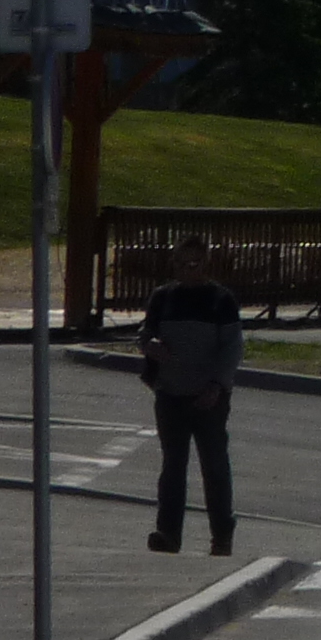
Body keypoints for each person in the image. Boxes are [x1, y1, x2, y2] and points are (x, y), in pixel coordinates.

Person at [137, 234, 243, 556]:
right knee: (173, 466)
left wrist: (217, 386)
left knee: (214, 466)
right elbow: (146, 333)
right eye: (181, 264)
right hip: (170, 394)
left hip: (208, 397)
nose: (187, 270)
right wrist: (149, 345)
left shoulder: (220, 300)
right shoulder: (163, 297)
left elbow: (232, 348)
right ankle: (168, 533)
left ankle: (221, 535)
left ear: (205, 264)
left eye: (194, 264)